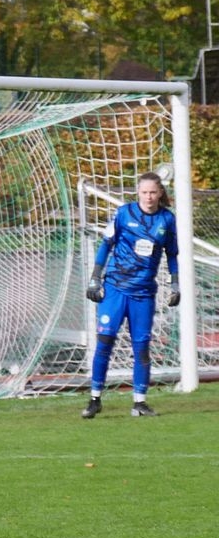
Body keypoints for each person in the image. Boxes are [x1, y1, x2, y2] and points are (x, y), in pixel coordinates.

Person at [84, 172, 180, 419]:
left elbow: (172, 254)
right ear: (138, 193)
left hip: (143, 294)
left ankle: (139, 402)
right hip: (115, 288)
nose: (148, 197)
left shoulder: (167, 219)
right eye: (144, 192)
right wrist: (95, 277)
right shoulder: (123, 214)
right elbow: (106, 245)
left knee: (142, 347)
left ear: (160, 193)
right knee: (105, 340)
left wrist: (175, 284)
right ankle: (94, 399)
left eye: (153, 192)